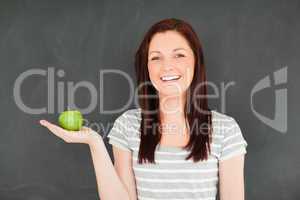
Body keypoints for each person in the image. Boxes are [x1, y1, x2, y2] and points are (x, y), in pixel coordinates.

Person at [40, 18, 248, 200]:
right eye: (156, 57)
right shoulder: (127, 126)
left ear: (196, 61)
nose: (167, 66)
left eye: (179, 55)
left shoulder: (225, 130)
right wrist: (94, 143)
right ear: (146, 67)